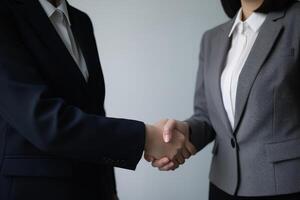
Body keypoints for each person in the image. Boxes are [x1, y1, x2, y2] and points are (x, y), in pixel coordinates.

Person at [0, 0, 196, 199]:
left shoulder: (81, 21)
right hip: (32, 189)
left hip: (93, 188)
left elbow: (94, 111)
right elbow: (41, 119)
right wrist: (146, 137)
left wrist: (109, 189)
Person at [149, 0, 300, 199]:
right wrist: (184, 131)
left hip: (287, 185)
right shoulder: (211, 39)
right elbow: (206, 115)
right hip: (222, 185)